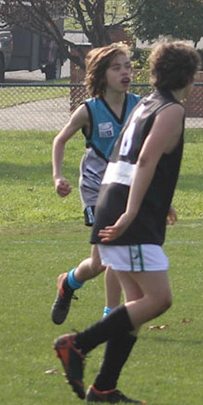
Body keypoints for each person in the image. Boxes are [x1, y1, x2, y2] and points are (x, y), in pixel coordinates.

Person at [52, 39, 200, 405]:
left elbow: (128, 158)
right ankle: (77, 344)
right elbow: (146, 159)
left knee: (134, 305)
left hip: (113, 200)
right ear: (188, 76)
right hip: (128, 212)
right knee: (159, 300)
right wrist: (132, 211)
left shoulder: (144, 104)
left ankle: (103, 388)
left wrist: (155, 201)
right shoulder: (171, 110)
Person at [47, 43, 140, 326]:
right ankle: (111, 317)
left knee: (101, 262)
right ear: (101, 75)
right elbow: (60, 140)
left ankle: (69, 282)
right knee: (113, 253)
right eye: (117, 68)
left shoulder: (139, 106)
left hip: (125, 186)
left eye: (127, 66)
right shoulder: (89, 110)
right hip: (96, 188)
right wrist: (58, 176)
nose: (125, 72)